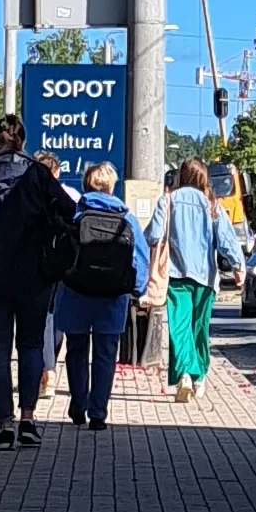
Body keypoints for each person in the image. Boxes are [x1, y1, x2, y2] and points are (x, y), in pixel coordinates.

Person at [0, 112, 77, 448]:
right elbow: (68, 211)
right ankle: (28, 419)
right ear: (22, 141)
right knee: (31, 345)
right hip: (34, 275)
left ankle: (4, 425)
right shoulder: (38, 174)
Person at [54, 155, 148, 427]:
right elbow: (139, 257)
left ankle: (78, 404)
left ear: (86, 184)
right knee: (106, 354)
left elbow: (61, 251)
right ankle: (98, 414)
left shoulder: (75, 214)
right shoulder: (127, 217)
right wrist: (138, 290)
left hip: (76, 292)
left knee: (77, 349)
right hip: (113, 295)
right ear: (111, 187)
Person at [153, 152, 223, 400]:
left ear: (181, 175)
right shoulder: (212, 204)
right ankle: (199, 377)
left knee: (179, 327)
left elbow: (153, 235)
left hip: (176, 274)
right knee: (200, 328)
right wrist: (239, 267)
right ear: (204, 177)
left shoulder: (168, 201)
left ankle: (184, 373)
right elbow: (225, 241)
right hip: (205, 278)